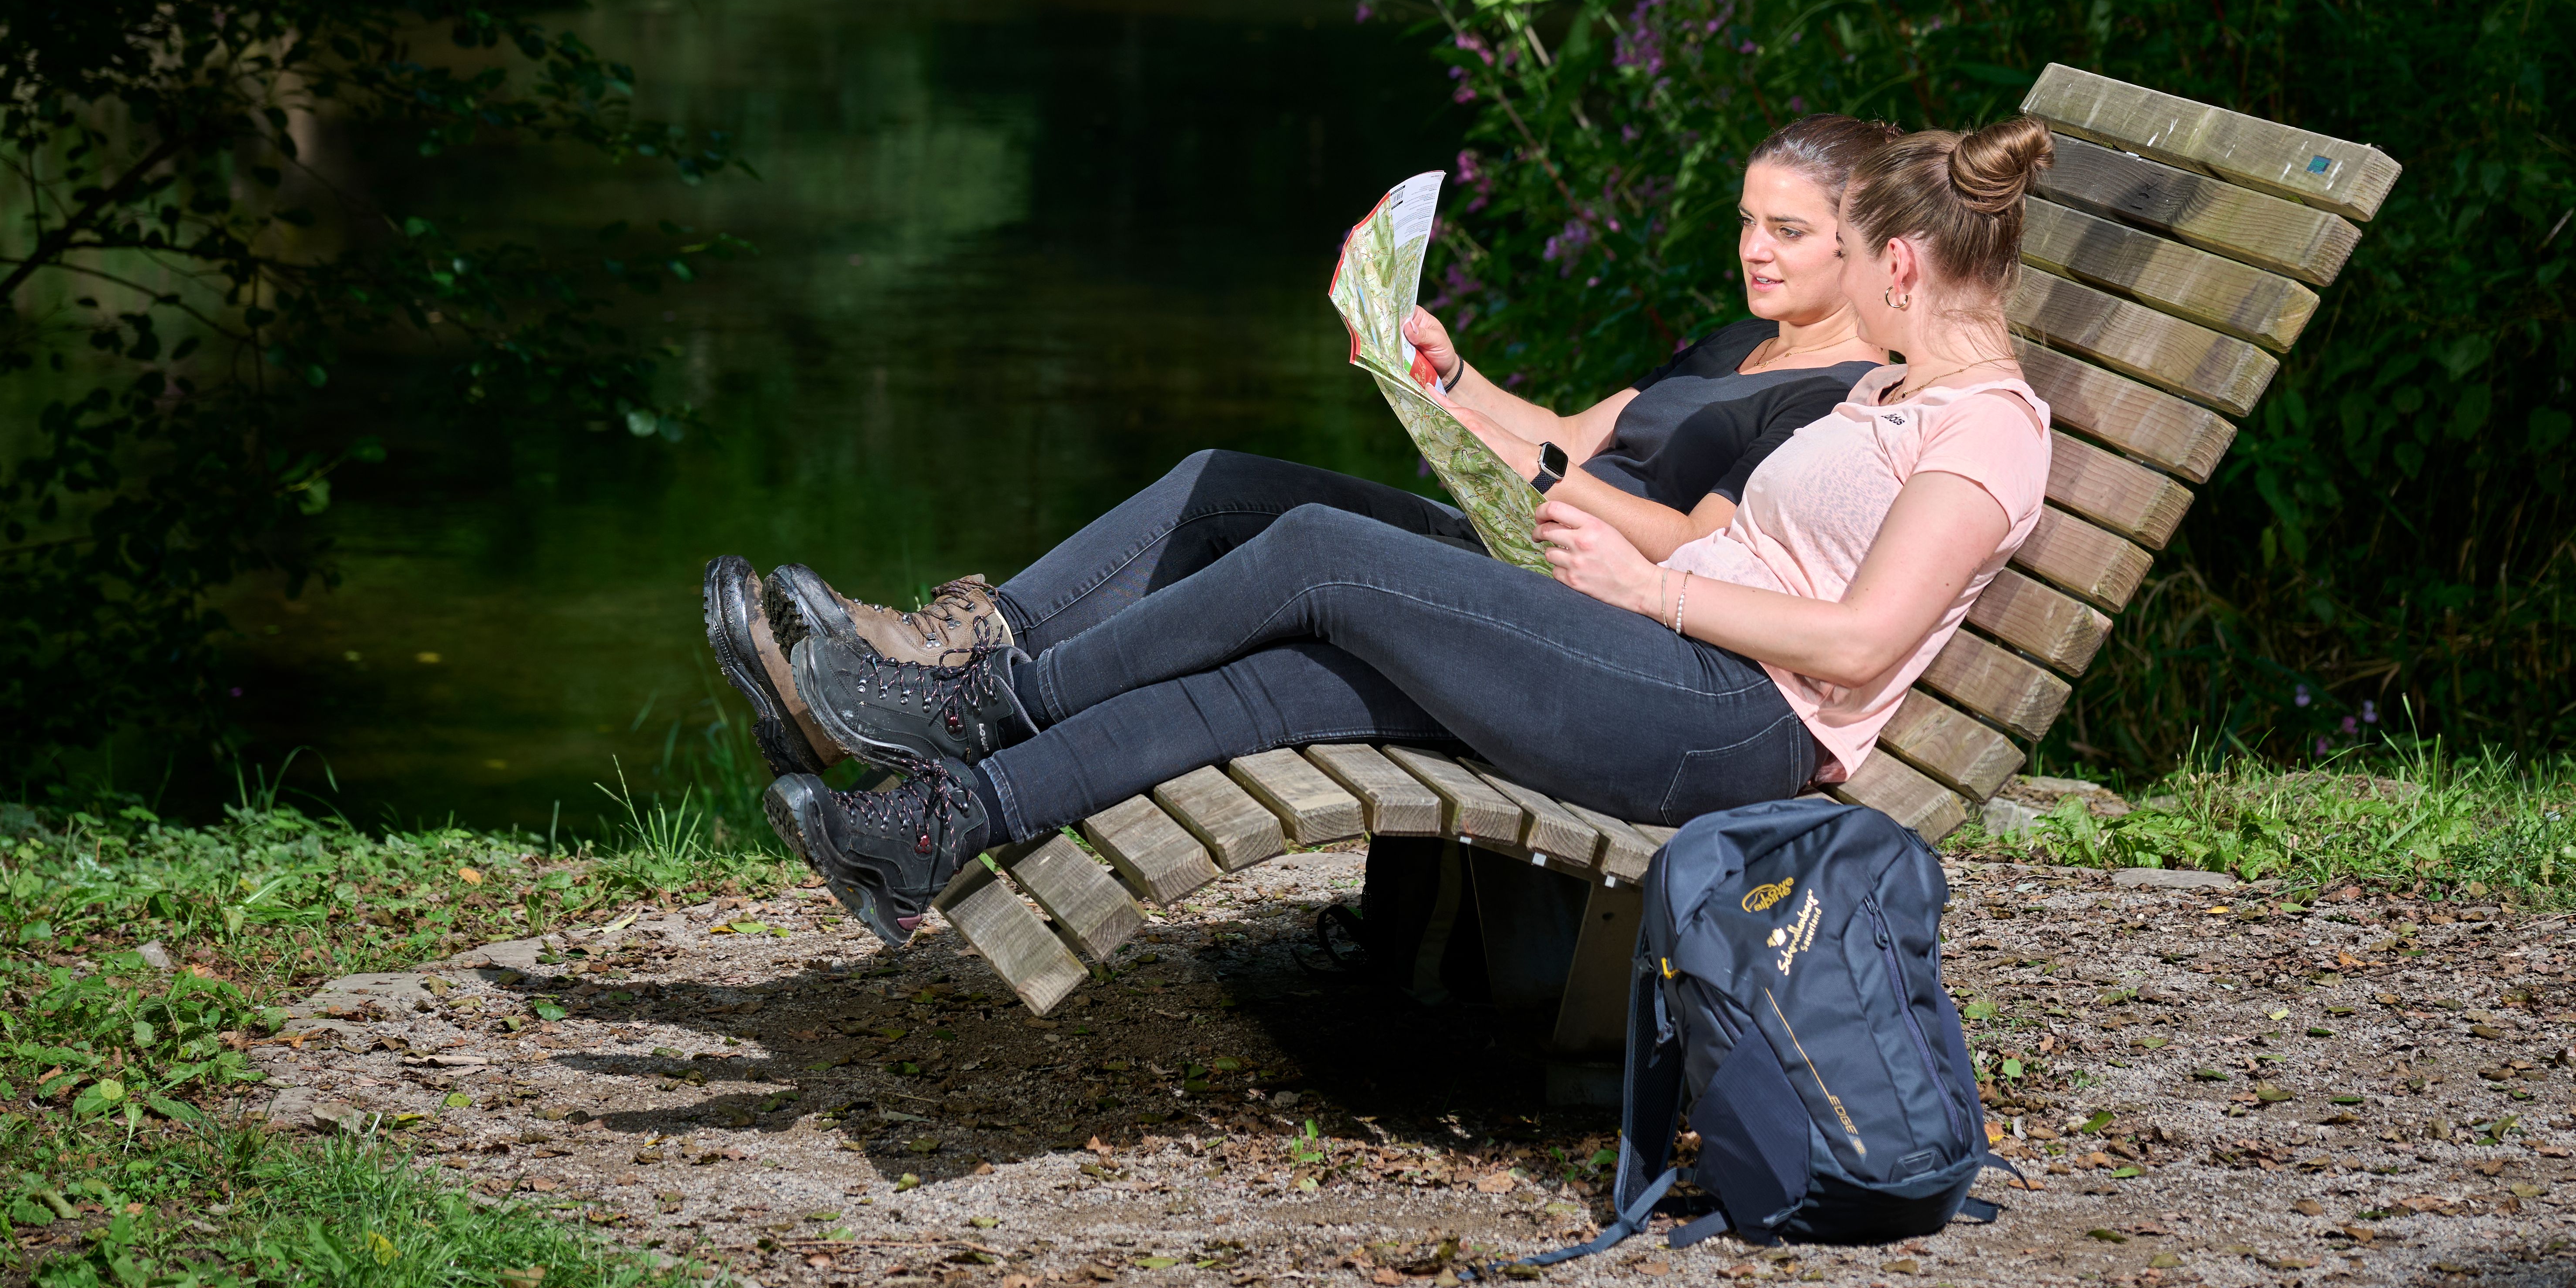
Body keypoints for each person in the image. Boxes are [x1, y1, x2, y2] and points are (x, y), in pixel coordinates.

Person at [727, 112, 2058, 946]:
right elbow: (1715, 525)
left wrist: (1654, 595)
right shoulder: (1891, 389)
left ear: (1896, 265)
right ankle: (939, 828)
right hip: (1657, 656)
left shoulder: (1985, 430)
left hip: (1732, 719)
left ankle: (982, 708)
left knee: (1319, 551)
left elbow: (1860, 639)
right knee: (1296, 676)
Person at [702, 116, 1890, 780]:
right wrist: (1451, 380)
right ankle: (933, 653)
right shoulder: (1746, 342)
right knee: (1226, 487)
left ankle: (951, 706)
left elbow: (1695, 543)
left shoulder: (1837, 397)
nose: (1757, 249)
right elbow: (1586, 436)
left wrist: (1526, 475)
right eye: (1747, 221)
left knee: (1307, 553)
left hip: (1593, 615)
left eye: (1789, 231)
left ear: (1863, 248)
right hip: (1522, 548)